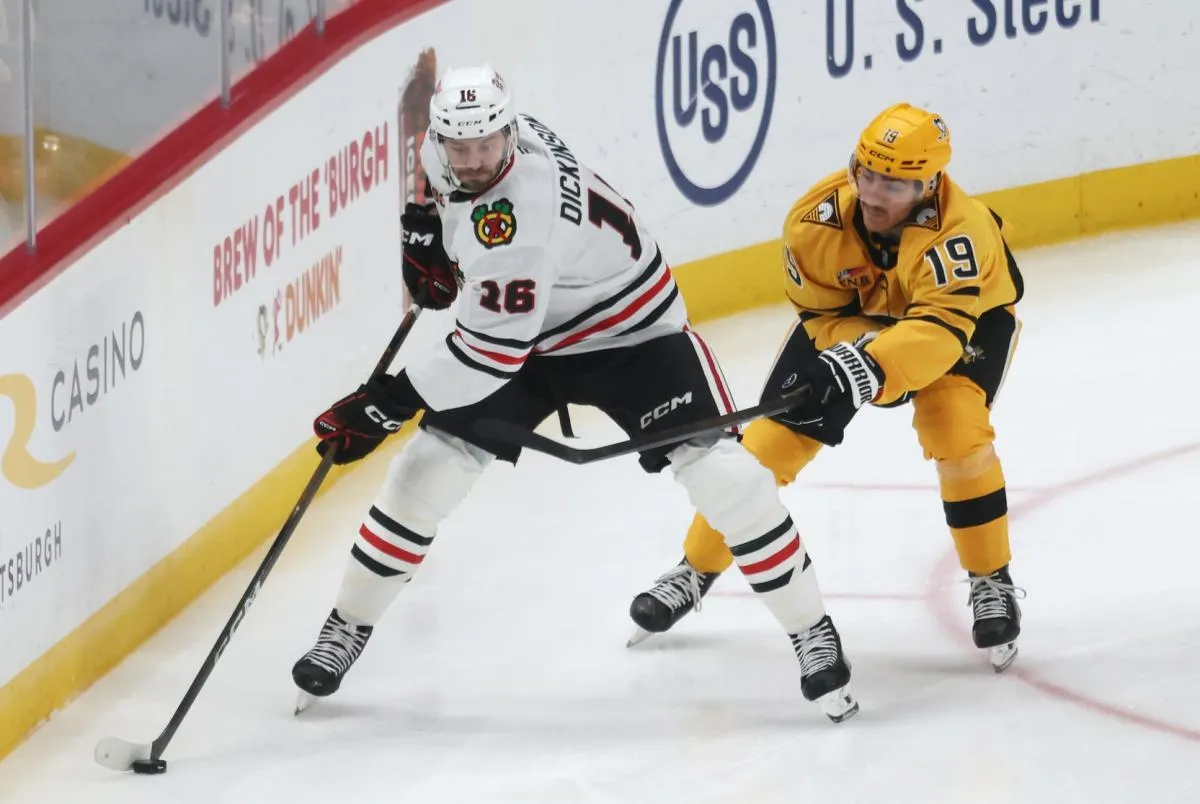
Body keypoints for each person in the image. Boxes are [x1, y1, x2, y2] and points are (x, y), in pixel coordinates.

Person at [290, 65, 859, 722]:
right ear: (442, 135)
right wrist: (427, 226)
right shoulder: (460, 148)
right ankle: (347, 626)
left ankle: (810, 631)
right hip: (533, 329)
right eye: (460, 146)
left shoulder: (518, 225)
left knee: (728, 480)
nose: (473, 161)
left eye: (486, 145)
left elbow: (484, 356)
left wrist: (386, 403)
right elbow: (453, 220)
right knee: (426, 473)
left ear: (509, 131)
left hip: (631, 332)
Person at [628, 103, 1026, 673]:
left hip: (963, 324)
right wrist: (848, 353)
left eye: (893, 181)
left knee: (955, 429)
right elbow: (818, 314)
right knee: (761, 452)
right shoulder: (814, 222)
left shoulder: (962, 234)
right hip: (857, 321)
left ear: (929, 183)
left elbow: (938, 336)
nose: (873, 192)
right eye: (866, 172)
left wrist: (866, 369)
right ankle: (694, 569)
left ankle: (991, 578)